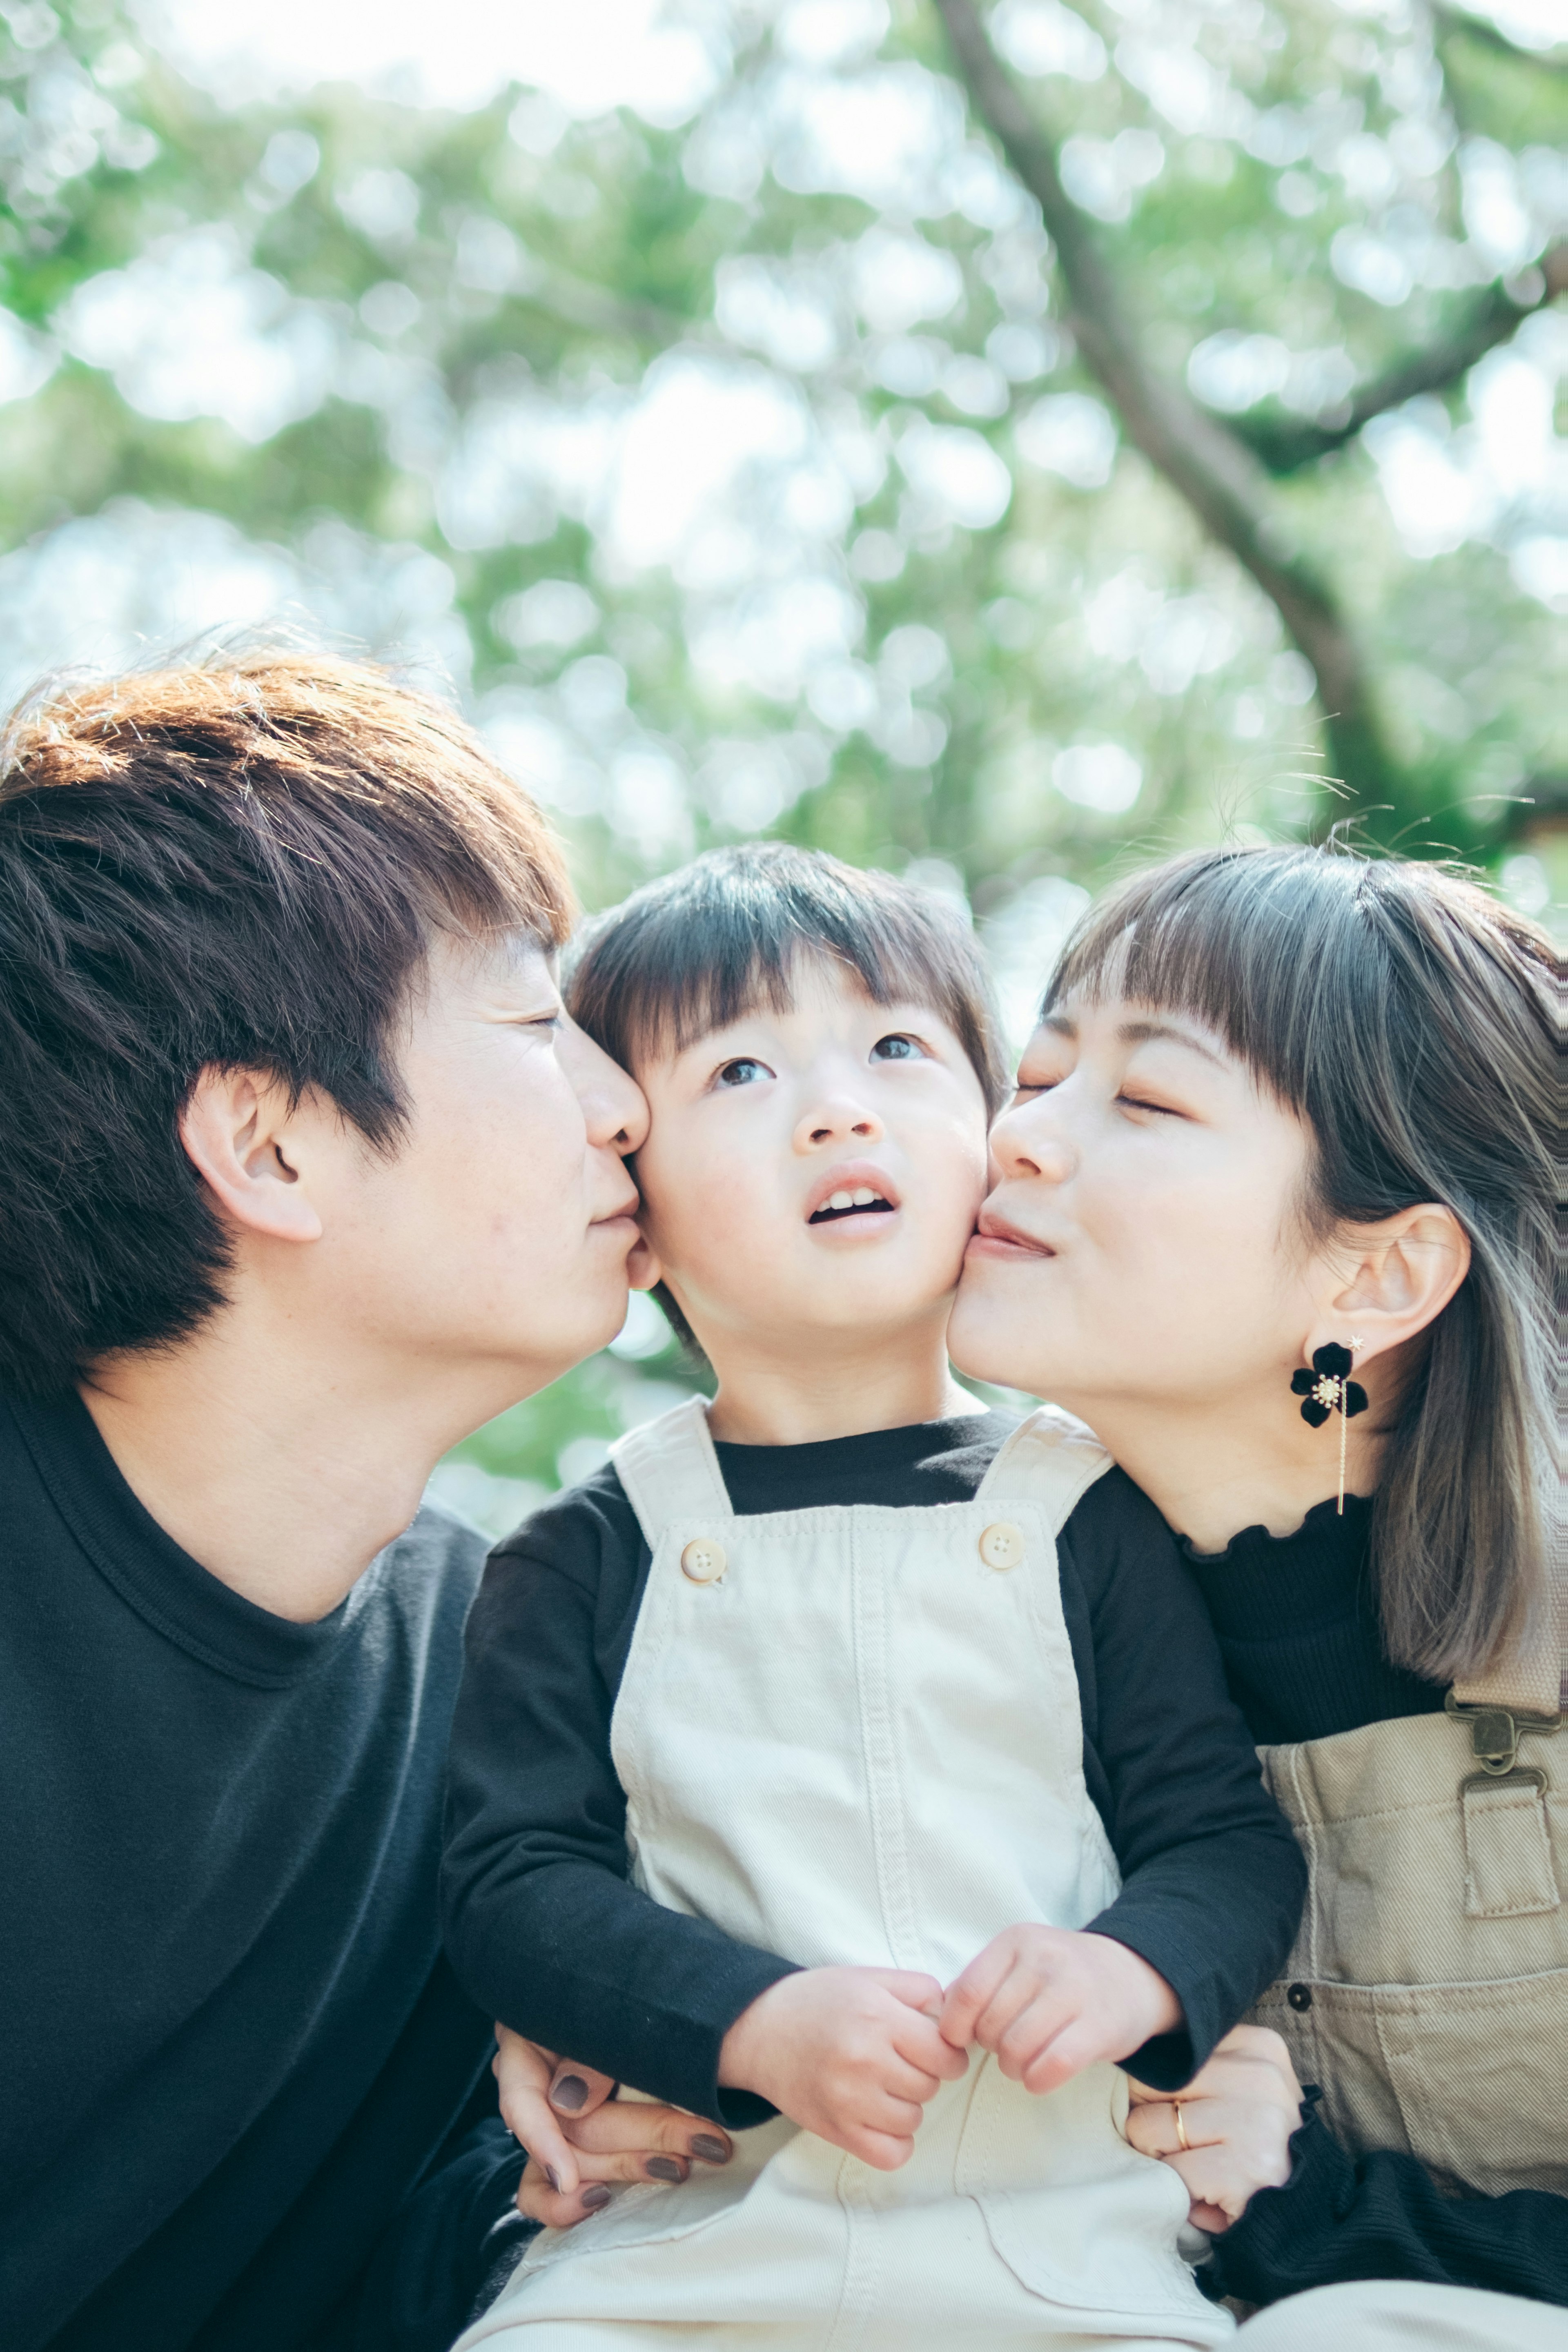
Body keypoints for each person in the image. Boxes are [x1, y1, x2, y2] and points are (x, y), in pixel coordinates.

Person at [441, 843, 1307, 2349]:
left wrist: (1135, 1968)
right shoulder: (587, 1554)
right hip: (685, 2255)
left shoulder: (1088, 1512)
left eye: (899, 1048)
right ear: (629, 1203)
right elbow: (514, 1887)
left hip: (1065, 2252)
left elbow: (1221, 1840)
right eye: (740, 1074)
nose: (840, 1106)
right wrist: (750, 2020)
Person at [0, 652, 725, 2352]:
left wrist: (560, 2174)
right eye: (540, 1022)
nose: (628, 1104)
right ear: (271, 1148)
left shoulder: (504, 1689)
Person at [944, 844, 1564, 2349]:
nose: (1018, 1137)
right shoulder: (956, 1626)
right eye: (1034, 1076)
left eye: (1147, 1101)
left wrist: (1316, 2218)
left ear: (1382, 1275)